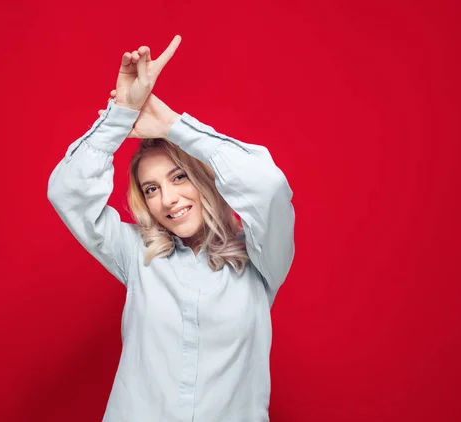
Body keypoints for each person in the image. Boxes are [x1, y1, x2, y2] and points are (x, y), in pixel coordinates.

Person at [47, 35, 295, 422]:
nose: (167, 199)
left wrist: (175, 127)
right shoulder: (136, 255)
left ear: (204, 179)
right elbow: (67, 193)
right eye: (152, 189)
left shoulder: (263, 260)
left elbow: (269, 186)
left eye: (179, 178)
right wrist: (121, 115)